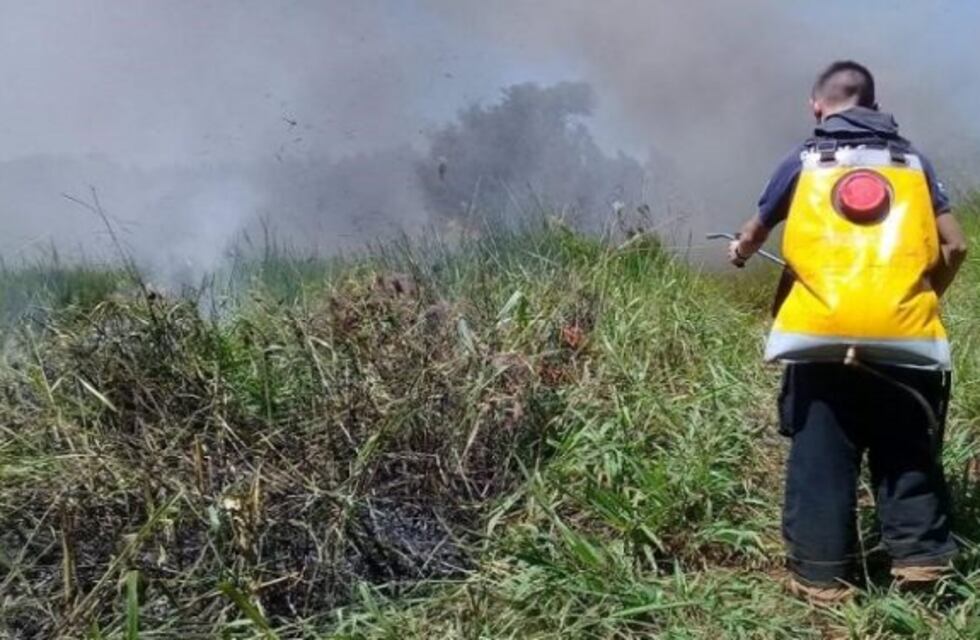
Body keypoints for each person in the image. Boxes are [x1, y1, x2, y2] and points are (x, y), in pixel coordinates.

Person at [728, 60, 969, 602]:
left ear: (818, 105)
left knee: (821, 450)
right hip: (905, 338)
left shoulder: (804, 160)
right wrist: (919, 299)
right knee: (906, 444)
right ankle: (922, 562)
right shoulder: (914, 163)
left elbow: (755, 230)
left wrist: (741, 252)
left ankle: (823, 576)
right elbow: (956, 246)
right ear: (874, 103)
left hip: (818, 339)